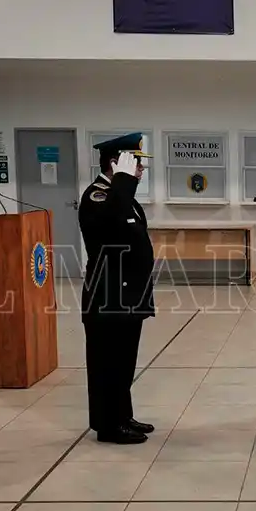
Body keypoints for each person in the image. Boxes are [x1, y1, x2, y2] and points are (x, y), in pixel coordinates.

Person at [79, 133, 156, 445]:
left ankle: (122, 415)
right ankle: (108, 426)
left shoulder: (119, 194)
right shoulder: (98, 196)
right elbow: (112, 226)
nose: (141, 170)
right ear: (116, 164)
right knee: (107, 363)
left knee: (123, 362)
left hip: (127, 295)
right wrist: (123, 181)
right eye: (135, 164)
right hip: (107, 295)